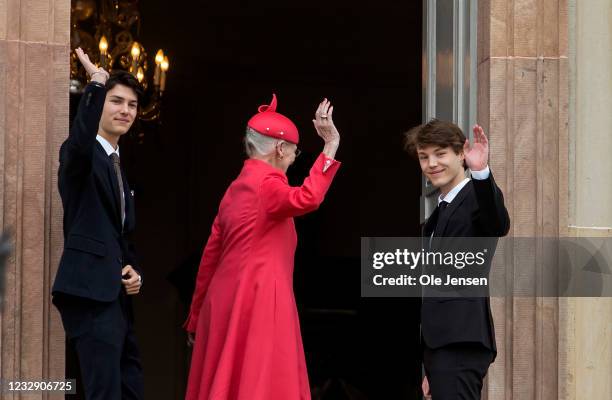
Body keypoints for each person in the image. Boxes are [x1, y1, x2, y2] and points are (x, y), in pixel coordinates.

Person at [184, 95, 341, 400]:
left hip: (223, 302)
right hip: (259, 297)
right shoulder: (268, 183)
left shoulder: (233, 190)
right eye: (294, 151)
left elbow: (209, 259)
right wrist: (330, 146)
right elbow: (308, 198)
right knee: (261, 385)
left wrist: (196, 316)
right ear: (280, 149)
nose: (294, 158)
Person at [52, 48, 144, 399]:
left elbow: (122, 237)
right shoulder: (80, 155)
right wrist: (96, 82)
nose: (125, 110)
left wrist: (135, 271)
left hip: (117, 298)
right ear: (100, 105)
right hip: (89, 293)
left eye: (132, 105)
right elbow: (80, 139)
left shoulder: (119, 167)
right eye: (116, 101)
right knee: (102, 392)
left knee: (130, 387)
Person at [403, 119, 510, 400]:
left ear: (461, 153)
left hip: (462, 340)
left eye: (440, 153)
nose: (432, 163)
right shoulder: (436, 216)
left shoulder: (476, 196)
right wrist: (431, 365)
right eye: (424, 157)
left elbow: (497, 223)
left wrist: (482, 173)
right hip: (441, 347)